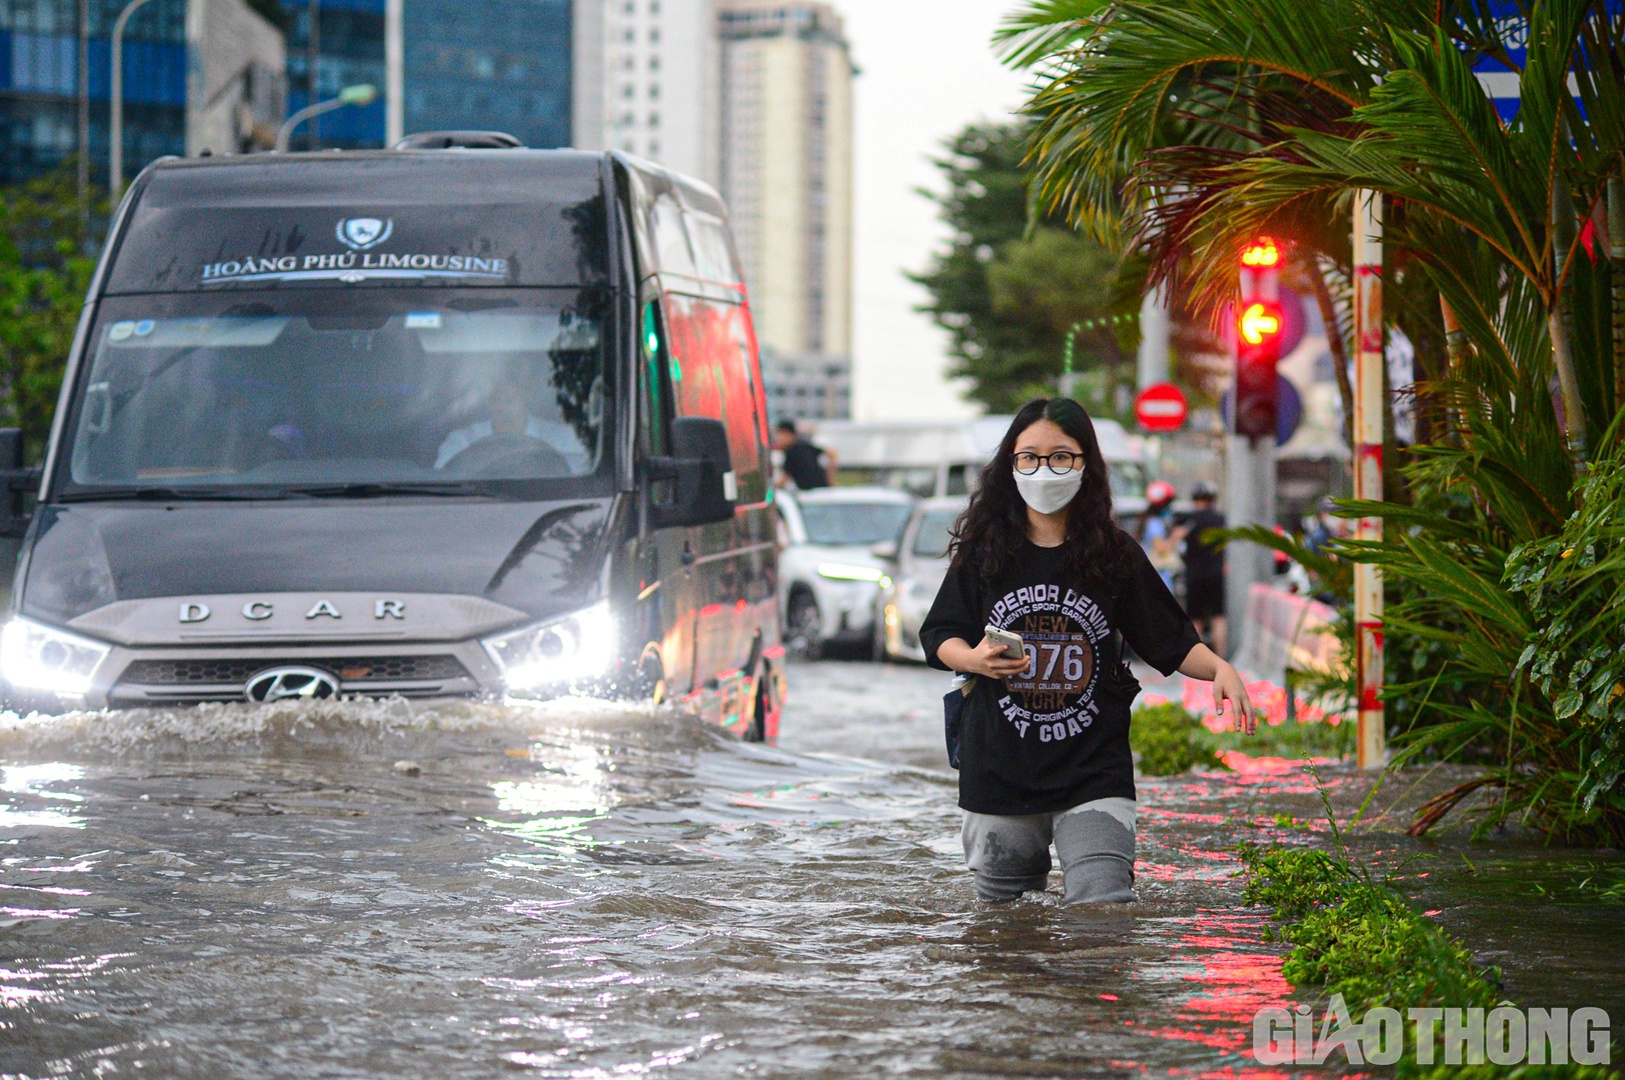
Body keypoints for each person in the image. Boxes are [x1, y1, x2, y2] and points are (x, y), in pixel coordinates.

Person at [920, 399, 1255, 905]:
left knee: (1104, 908)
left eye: (1061, 456)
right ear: (1010, 467)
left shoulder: (1115, 556)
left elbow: (1171, 640)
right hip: (999, 771)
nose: (1043, 469)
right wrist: (973, 660)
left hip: (1093, 770)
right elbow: (941, 633)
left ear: (1086, 465)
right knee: (1003, 933)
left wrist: (1220, 668)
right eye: (1028, 457)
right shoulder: (984, 552)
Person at [1182, 482, 1228, 655]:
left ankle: (1200, 660)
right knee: (1218, 617)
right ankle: (1221, 658)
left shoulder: (1189, 519)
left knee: (1196, 619)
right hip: (1216, 574)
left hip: (1194, 575)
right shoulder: (1220, 519)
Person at [1138, 480, 1181, 590]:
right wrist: (1175, 536)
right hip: (1158, 576)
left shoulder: (1150, 521)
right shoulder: (1155, 524)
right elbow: (1160, 548)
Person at [773, 419, 834, 489]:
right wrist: (830, 477)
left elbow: (784, 479)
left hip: (809, 493)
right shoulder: (804, 445)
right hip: (823, 488)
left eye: (780, 435)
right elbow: (832, 453)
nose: (778, 439)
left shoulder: (791, 453)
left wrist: (769, 490)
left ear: (789, 434)